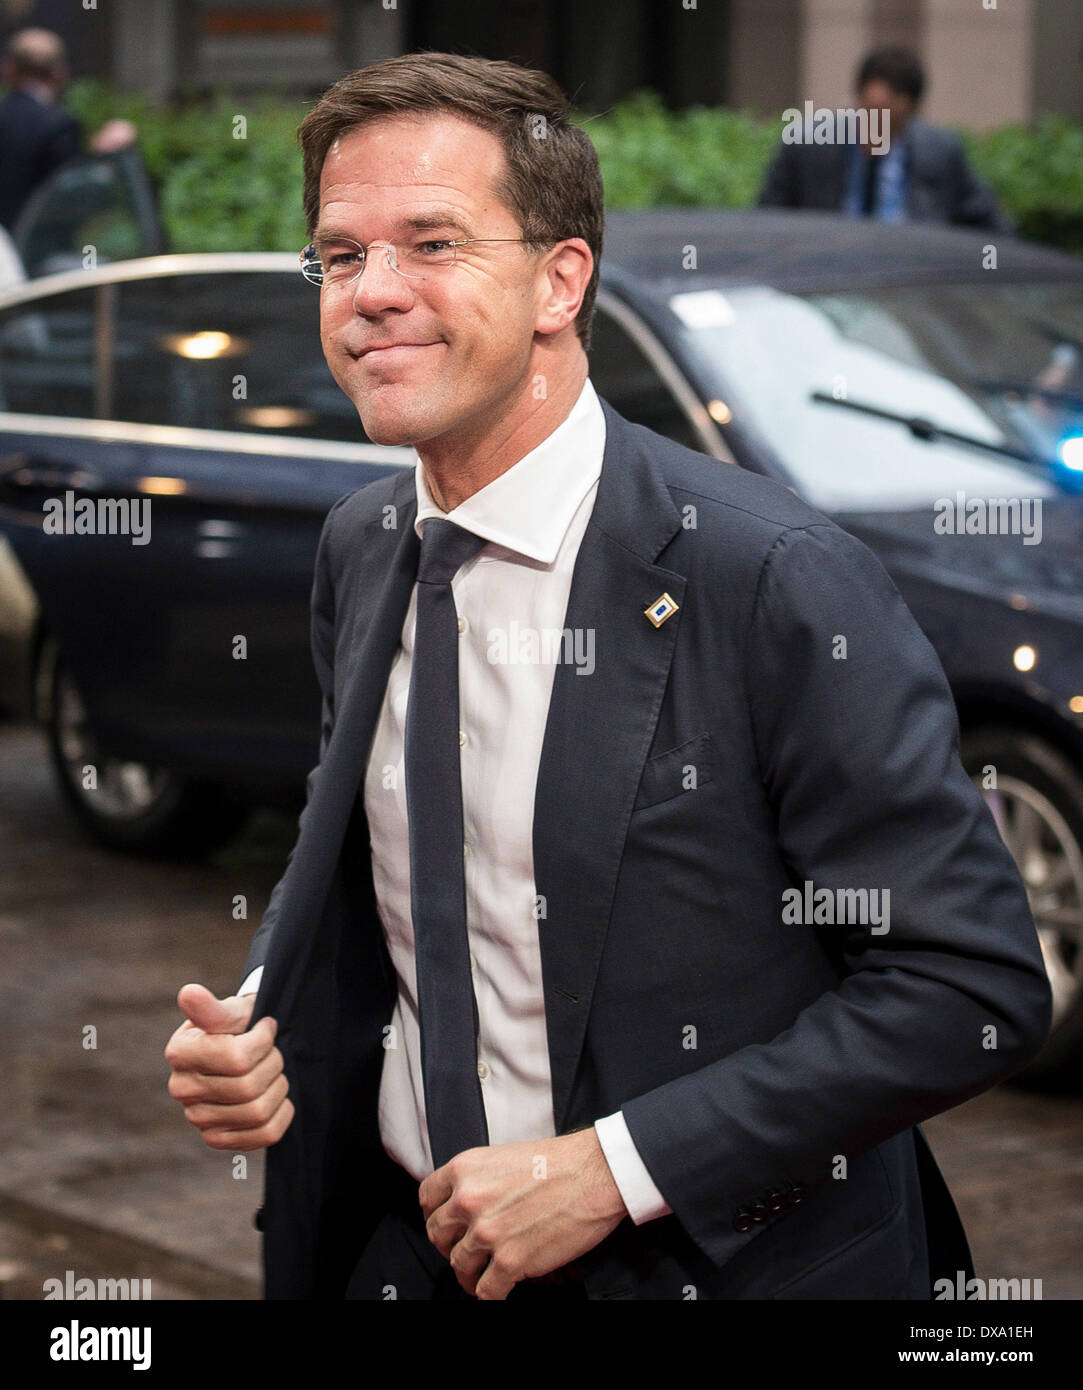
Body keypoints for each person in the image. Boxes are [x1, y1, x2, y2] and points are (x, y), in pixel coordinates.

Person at [165, 52, 1050, 1301]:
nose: (372, 293)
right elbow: (389, 865)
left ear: (559, 280)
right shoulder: (363, 543)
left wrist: (615, 1169)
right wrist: (265, 1014)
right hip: (402, 1250)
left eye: (432, 243)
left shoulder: (773, 576)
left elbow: (971, 985)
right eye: (343, 253)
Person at [759, 45, 1009, 231]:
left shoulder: (941, 152)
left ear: (912, 110)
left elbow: (988, 224)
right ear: (857, 99)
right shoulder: (807, 146)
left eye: (886, 117)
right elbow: (768, 222)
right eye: (868, 113)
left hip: (908, 274)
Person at [0, 27, 82, 232]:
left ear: (8, 69)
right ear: (60, 73)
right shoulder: (60, 126)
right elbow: (71, 197)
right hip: (39, 251)